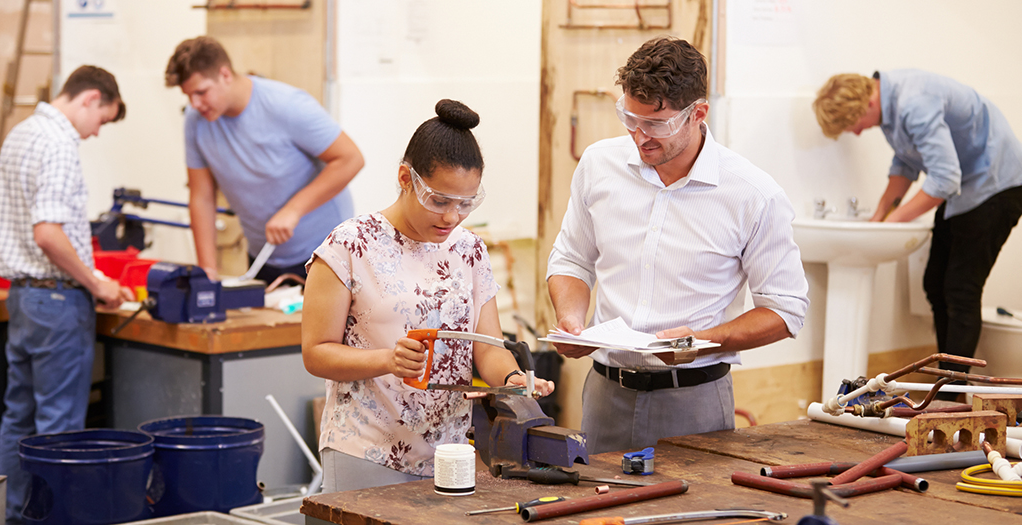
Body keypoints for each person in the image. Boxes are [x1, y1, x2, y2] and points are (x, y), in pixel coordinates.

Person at [546, 37, 809, 455]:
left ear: (698, 114)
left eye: (655, 124)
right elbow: (573, 259)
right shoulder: (599, 165)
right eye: (629, 118)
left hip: (694, 400)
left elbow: (786, 309)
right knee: (597, 515)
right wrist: (573, 321)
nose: (638, 136)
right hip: (605, 394)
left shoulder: (752, 194)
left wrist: (703, 339)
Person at [301, 99, 555, 493]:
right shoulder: (350, 245)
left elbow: (486, 348)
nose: (452, 217)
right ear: (406, 178)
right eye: (439, 201)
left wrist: (513, 379)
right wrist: (388, 359)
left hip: (450, 451)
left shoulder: (469, 250)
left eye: (465, 204)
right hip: (366, 449)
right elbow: (316, 352)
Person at [813, 71, 1022, 388]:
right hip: (966, 191)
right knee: (935, 283)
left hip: (997, 186)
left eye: (851, 124)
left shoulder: (914, 103)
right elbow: (906, 164)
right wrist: (881, 214)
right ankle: (948, 381)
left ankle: (950, 393)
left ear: (867, 103)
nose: (855, 133)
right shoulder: (890, 104)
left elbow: (945, 179)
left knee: (960, 289)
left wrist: (894, 222)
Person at [0, 65, 135, 524]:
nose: (95, 133)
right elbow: (49, 234)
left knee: (19, 419)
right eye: (103, 121)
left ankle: (13, 516)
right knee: (57, 431)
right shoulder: (58, 144)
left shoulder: (22, 132)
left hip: (23, 298)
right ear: (90, 99)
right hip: (57, 301)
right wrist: (97, 283)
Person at [165, 36, 364, 283]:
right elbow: (201, 196)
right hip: (263, 255)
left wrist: (294, 209)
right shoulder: (196, 121)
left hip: (326, 252)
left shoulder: (286, 105)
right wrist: (207, 271)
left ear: (225, 74)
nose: (195, 104)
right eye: (188, 96)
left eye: (201, 92)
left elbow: (351, 158)